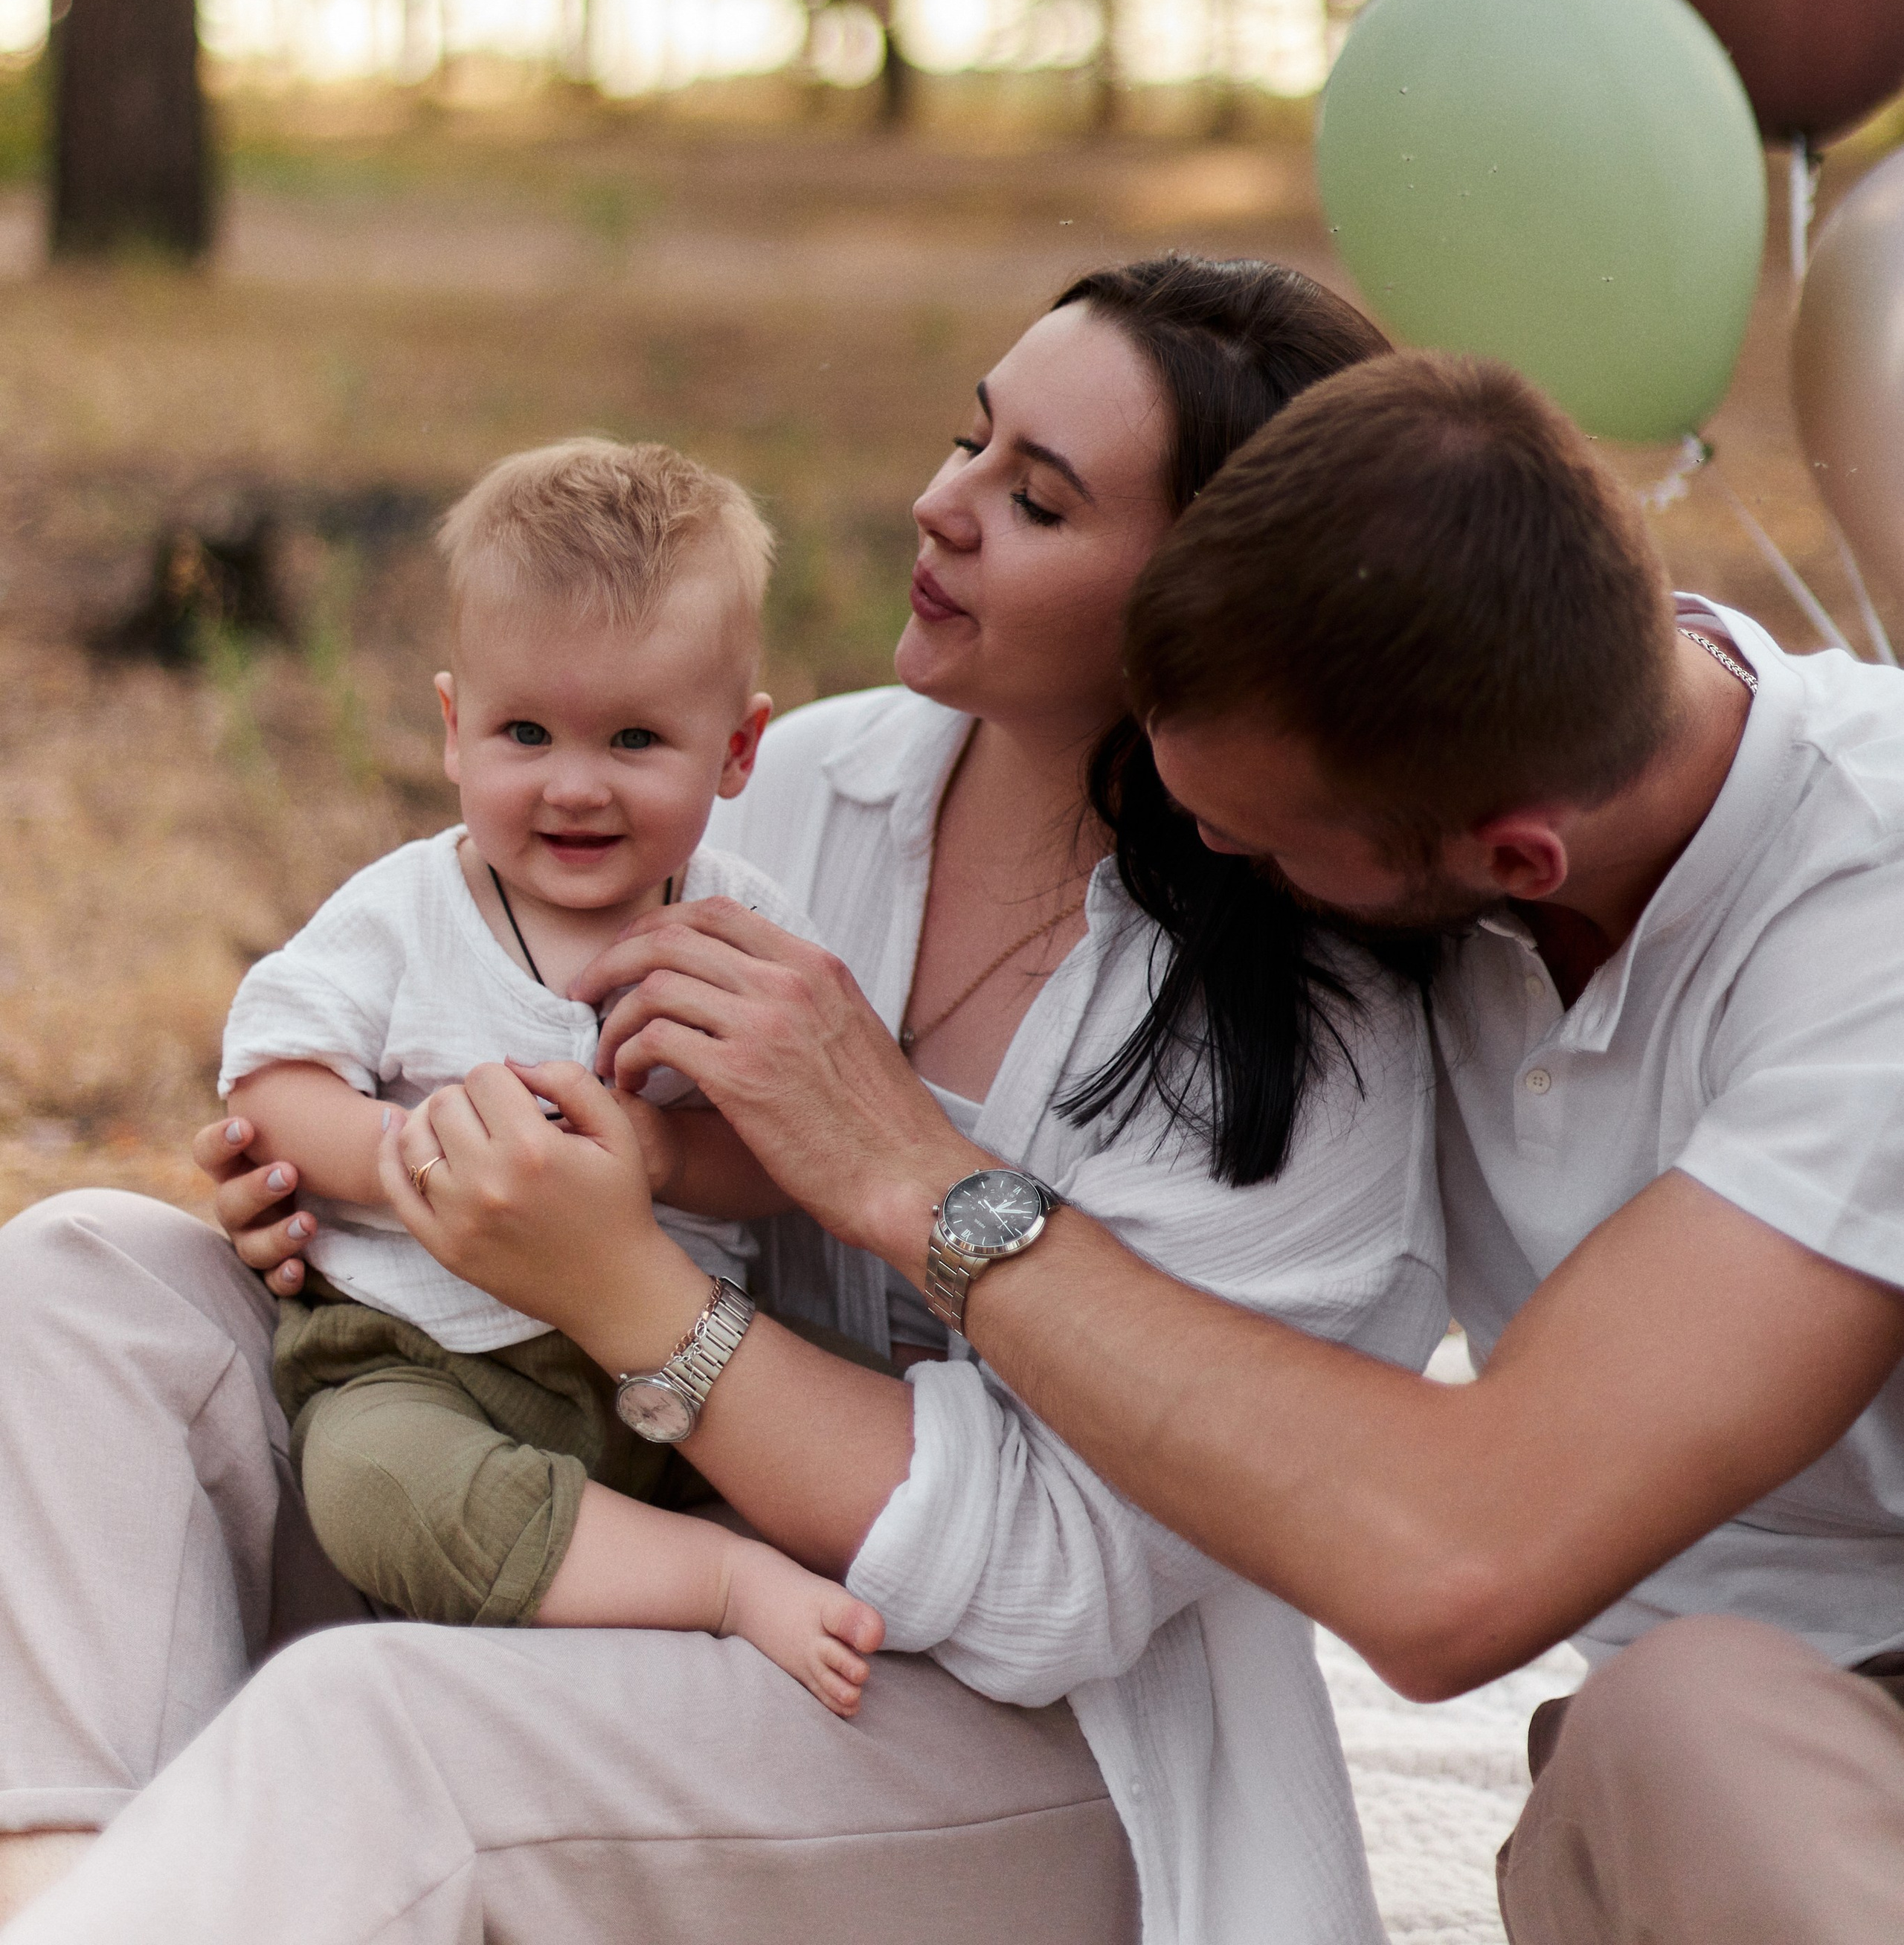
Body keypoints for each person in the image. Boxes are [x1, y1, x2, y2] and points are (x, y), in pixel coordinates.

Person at [0, 257, 1443, 1945]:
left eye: (1033, 500)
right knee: (87, 1275)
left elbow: (1056, 1588)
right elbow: (435, 1040)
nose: (938, 504)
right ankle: (61, 1880)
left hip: (977, 1724)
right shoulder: (803, 785)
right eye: (967, 441)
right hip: (572, 1482)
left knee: (380, 1729)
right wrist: (364, 1194)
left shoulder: (1297, 1049)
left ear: (1209, 599)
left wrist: (629, 1290)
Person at [546, 347, 1904, 1945]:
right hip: (1726, 1762)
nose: (1183, 863)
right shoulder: (1457, 784)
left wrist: (922, 1184)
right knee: (1671, 1735)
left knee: (1691, 1723)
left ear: (1510, 858)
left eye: (1246, 843)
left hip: (1785, 1739)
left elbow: (1454, 1568)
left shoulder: (1862, 928)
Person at [222, 434, 884, 1708]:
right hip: (427, 1357)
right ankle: (717, 1583)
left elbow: (795, 1153)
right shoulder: (411, 910)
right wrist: (410, 1160)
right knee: (369, 1487)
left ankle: (658, 1562)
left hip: (676, 1368)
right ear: (455, 729)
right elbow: (271, 1080)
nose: (574, 787)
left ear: (739, 753)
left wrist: (670, 1154)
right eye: (526, 732)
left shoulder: (745, 930)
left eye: (636, 738)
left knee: (865, 1437)